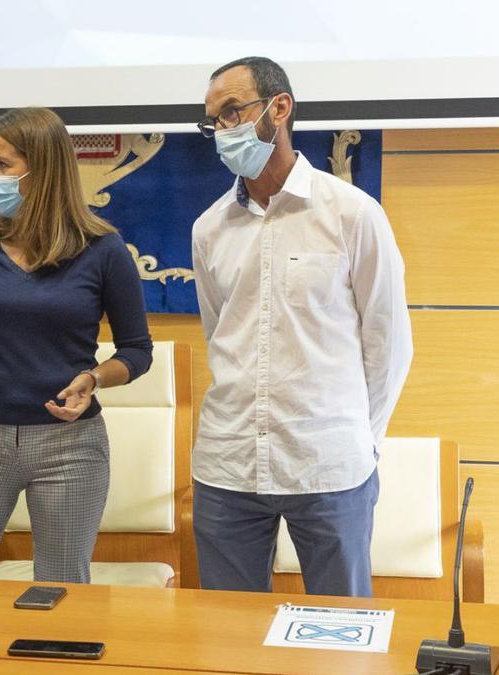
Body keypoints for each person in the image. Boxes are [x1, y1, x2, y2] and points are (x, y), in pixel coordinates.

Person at [190, 56, 413, 597]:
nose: (221, 131)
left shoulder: (353, 214)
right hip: (228, 466)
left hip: (328, 466)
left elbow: (388, 346)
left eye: (231, 112)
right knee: (229, 640)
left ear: (279, 108)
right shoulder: (209, 228)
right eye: (212, 120)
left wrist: (361, 439)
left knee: (340, 637)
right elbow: (221, 335)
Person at [0, 107, 154, 584]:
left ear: (44, 171)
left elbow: (137, 351)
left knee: (61, 591)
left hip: (70, 448)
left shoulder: (104, 250)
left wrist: (93, 380)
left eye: (3, 165)